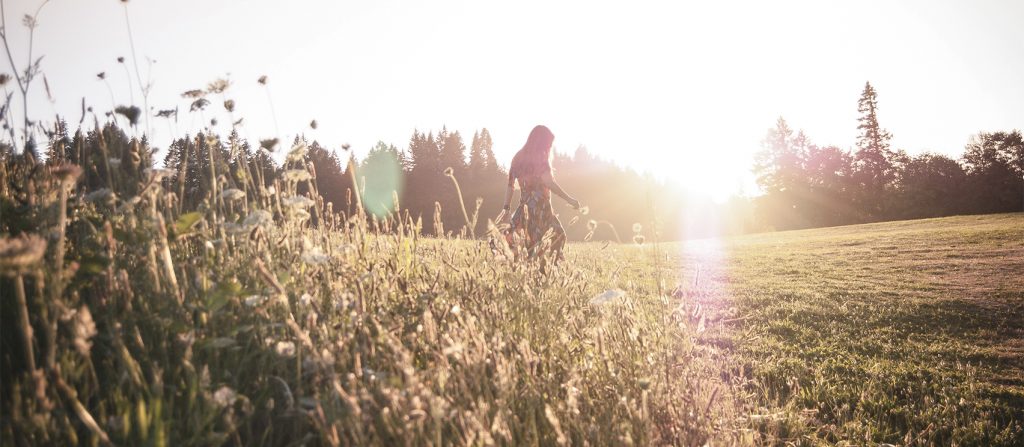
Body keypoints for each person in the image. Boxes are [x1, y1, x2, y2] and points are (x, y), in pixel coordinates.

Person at [499, 125, 581, 261]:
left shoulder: (517, 157)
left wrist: (506, 208)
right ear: (542, 142)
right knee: (558, 237)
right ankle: (546, 269)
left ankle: (534, 270)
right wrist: (569, 199)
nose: (549, 148)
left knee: (527, 243)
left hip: (524, 209)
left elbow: (510, 185)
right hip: (541, 211)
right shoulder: (539, 157)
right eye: (548, 144)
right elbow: (549, 183)